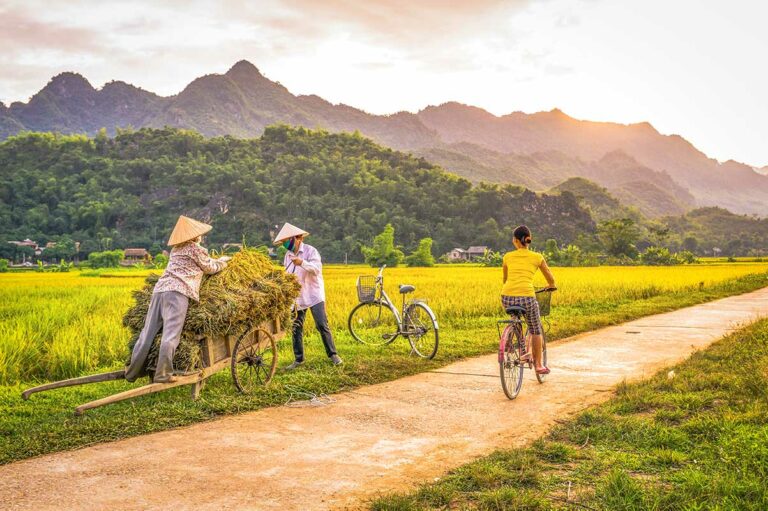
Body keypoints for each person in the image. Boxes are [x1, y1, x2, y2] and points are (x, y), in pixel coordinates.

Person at [125, 216, 231, 383]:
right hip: (177, 293)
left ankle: (132, 372)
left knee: (147, 333)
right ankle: (163, 374)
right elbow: (210, 268)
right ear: (195, 236)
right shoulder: (197, 249)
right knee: (171, 335)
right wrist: (223, 262)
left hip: (159, 290)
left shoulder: (176, 249)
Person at [274, 222, 342, 369]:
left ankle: (333, 354)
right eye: (284, 242)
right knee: (296, 327)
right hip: (297, 297)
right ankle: (299, 359)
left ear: (298, 238)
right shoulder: (288, 255)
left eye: (287, 241)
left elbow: (316, 269)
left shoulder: (311, 251)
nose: (285, 244)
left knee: (322, 324)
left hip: (313, 295)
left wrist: (302, 262)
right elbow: (288, 274)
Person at [501, 225, 556, 375]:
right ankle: (538, 365)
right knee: (535, 328)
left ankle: (516, 342)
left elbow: (505, 280)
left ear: (515, 241)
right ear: (528, 240)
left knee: (516, 316)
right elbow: (551, 279)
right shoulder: (537, 257)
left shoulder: (507, 257)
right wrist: (551, 286)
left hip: (506, 297)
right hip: (527, 297)